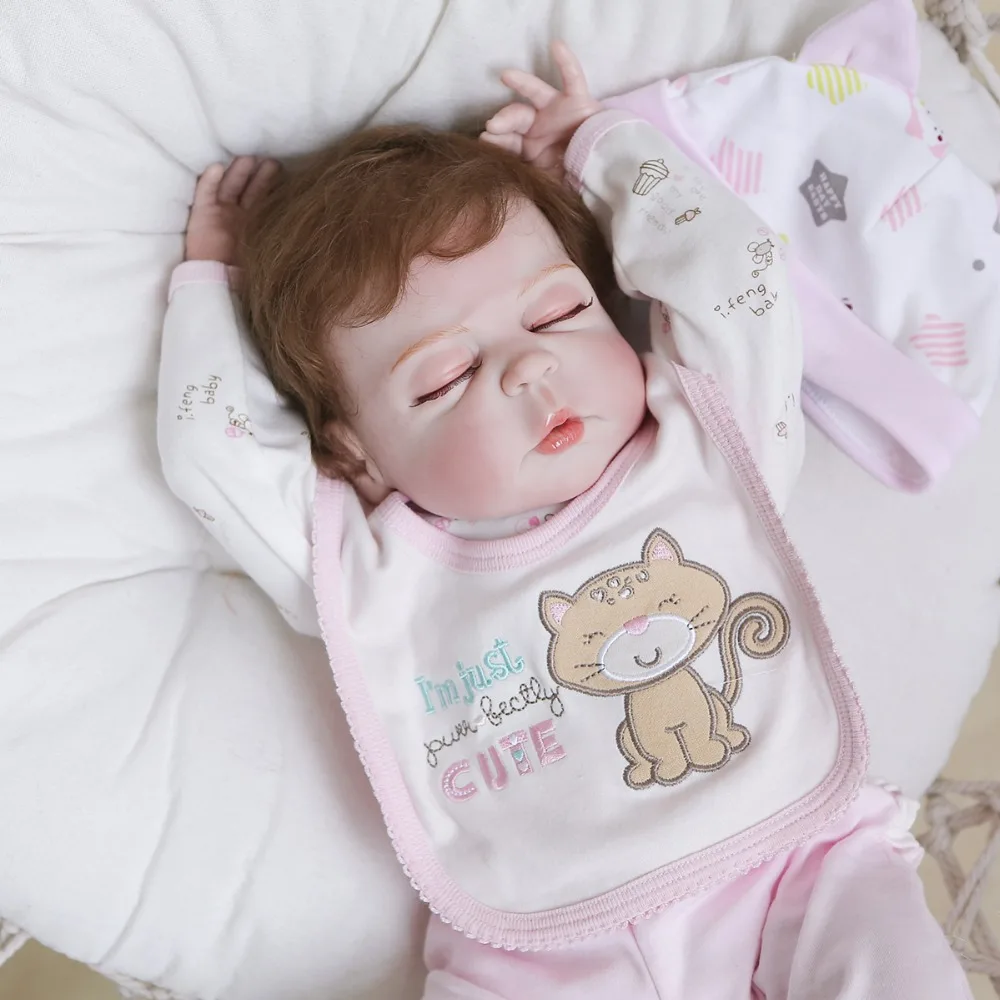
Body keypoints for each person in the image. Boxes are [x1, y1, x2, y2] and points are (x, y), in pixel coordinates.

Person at [157, 41, 970, 1000]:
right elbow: (212, 449)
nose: (529, 367)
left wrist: (597, 153)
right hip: (536, 949)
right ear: (355, 454)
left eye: (554, 315)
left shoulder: (709, 439)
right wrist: (212, 285)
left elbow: (735, 272)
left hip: (797, 861)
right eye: (446, 375)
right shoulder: (360, 567)